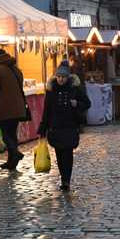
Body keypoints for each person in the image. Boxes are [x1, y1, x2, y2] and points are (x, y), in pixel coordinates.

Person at [38, 62, 91, 191]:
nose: (61, 79)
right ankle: (63, 177)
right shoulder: (51, 91)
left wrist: (76, 103)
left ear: (68, 77)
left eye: (63, 77)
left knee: (67, 154)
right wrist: (43, 129)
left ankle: (66, 180)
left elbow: (87, 103)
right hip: (55, 128)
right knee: (59, 154)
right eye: (59, 76)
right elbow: (46, 111)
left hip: (70, 126)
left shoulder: (74, 89)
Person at [0, 48, 26, 172]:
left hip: (3, 108)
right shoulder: (16, 69)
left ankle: (15, 153)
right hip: (17, 108)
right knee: (11, 134)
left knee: (4, 134)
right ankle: (11, 161)